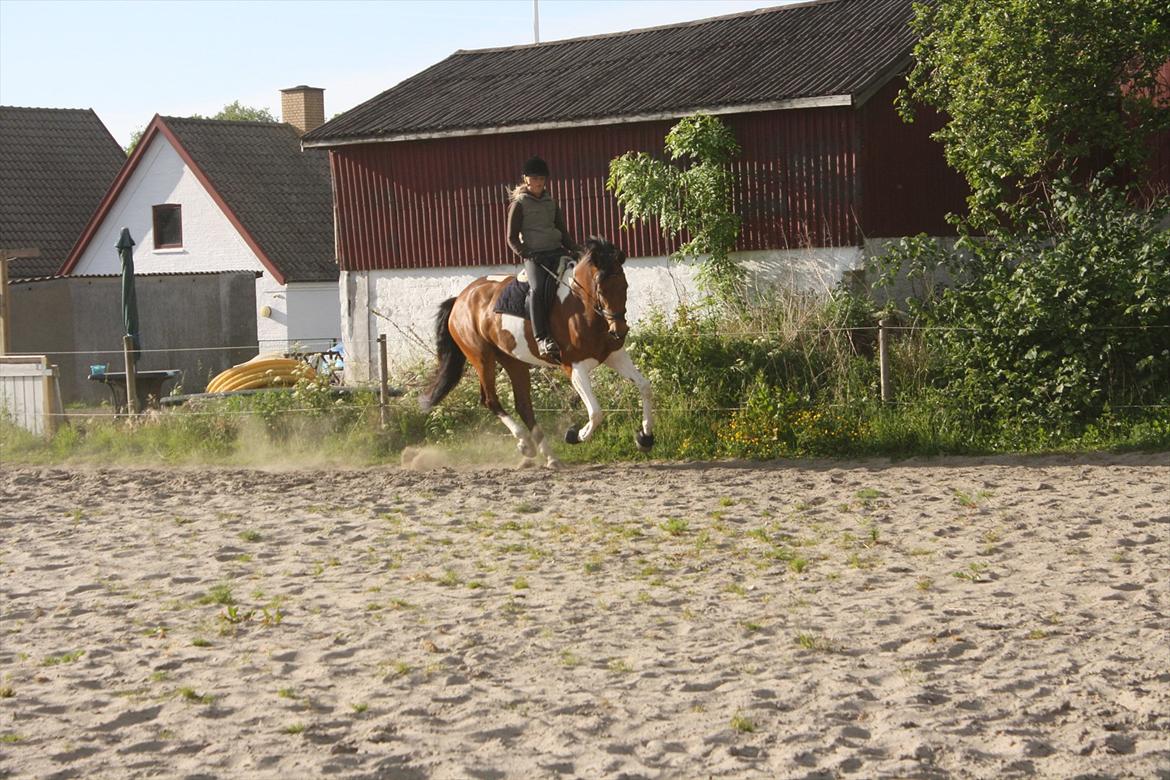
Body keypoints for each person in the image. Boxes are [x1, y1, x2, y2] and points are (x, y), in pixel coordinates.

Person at [507, 156, 579, 362]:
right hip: (534, 256)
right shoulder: (519, 204)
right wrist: (527, 253)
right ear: (526, 179)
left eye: (541, 178)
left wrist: (575, 248)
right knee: (538, 289)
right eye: (534, 178)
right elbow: (511, 238)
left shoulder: (551, 202)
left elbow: (562, 231)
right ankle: (542, 338)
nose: (538, 182)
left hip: (556, 251)